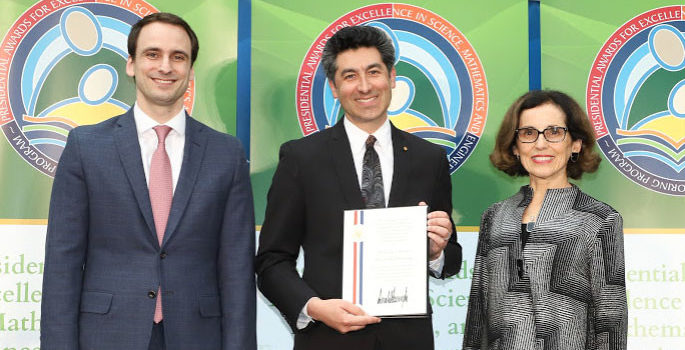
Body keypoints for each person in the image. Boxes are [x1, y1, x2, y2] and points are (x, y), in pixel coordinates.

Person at [40, 12, 256, 350]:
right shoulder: (86, 147)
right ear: (131, 64)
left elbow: (238, 271)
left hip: (198, 337)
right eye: (152, 54)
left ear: (190, 70)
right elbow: (61, 265)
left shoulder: (225, 154)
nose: (165, 67)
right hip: (107, 336)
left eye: (178, 57)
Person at [255, 25, 461, 350]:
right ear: (334, 88)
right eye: (350, 76)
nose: (364, 86)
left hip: (408, 341)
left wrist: (436, 252)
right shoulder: (302, 158)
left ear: (392, 77)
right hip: (327, 339)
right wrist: (315, 308)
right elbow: (271, 261)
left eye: (374, 72)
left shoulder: (429, 158)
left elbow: (451, 259)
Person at [463, 90, 627, 350]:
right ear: (515, 146)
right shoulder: (494, 217)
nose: (540, 144)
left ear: (575, 143)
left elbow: (610, 322)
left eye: (553, 132)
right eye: (528, 133)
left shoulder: (599, 220)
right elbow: (478, 316)